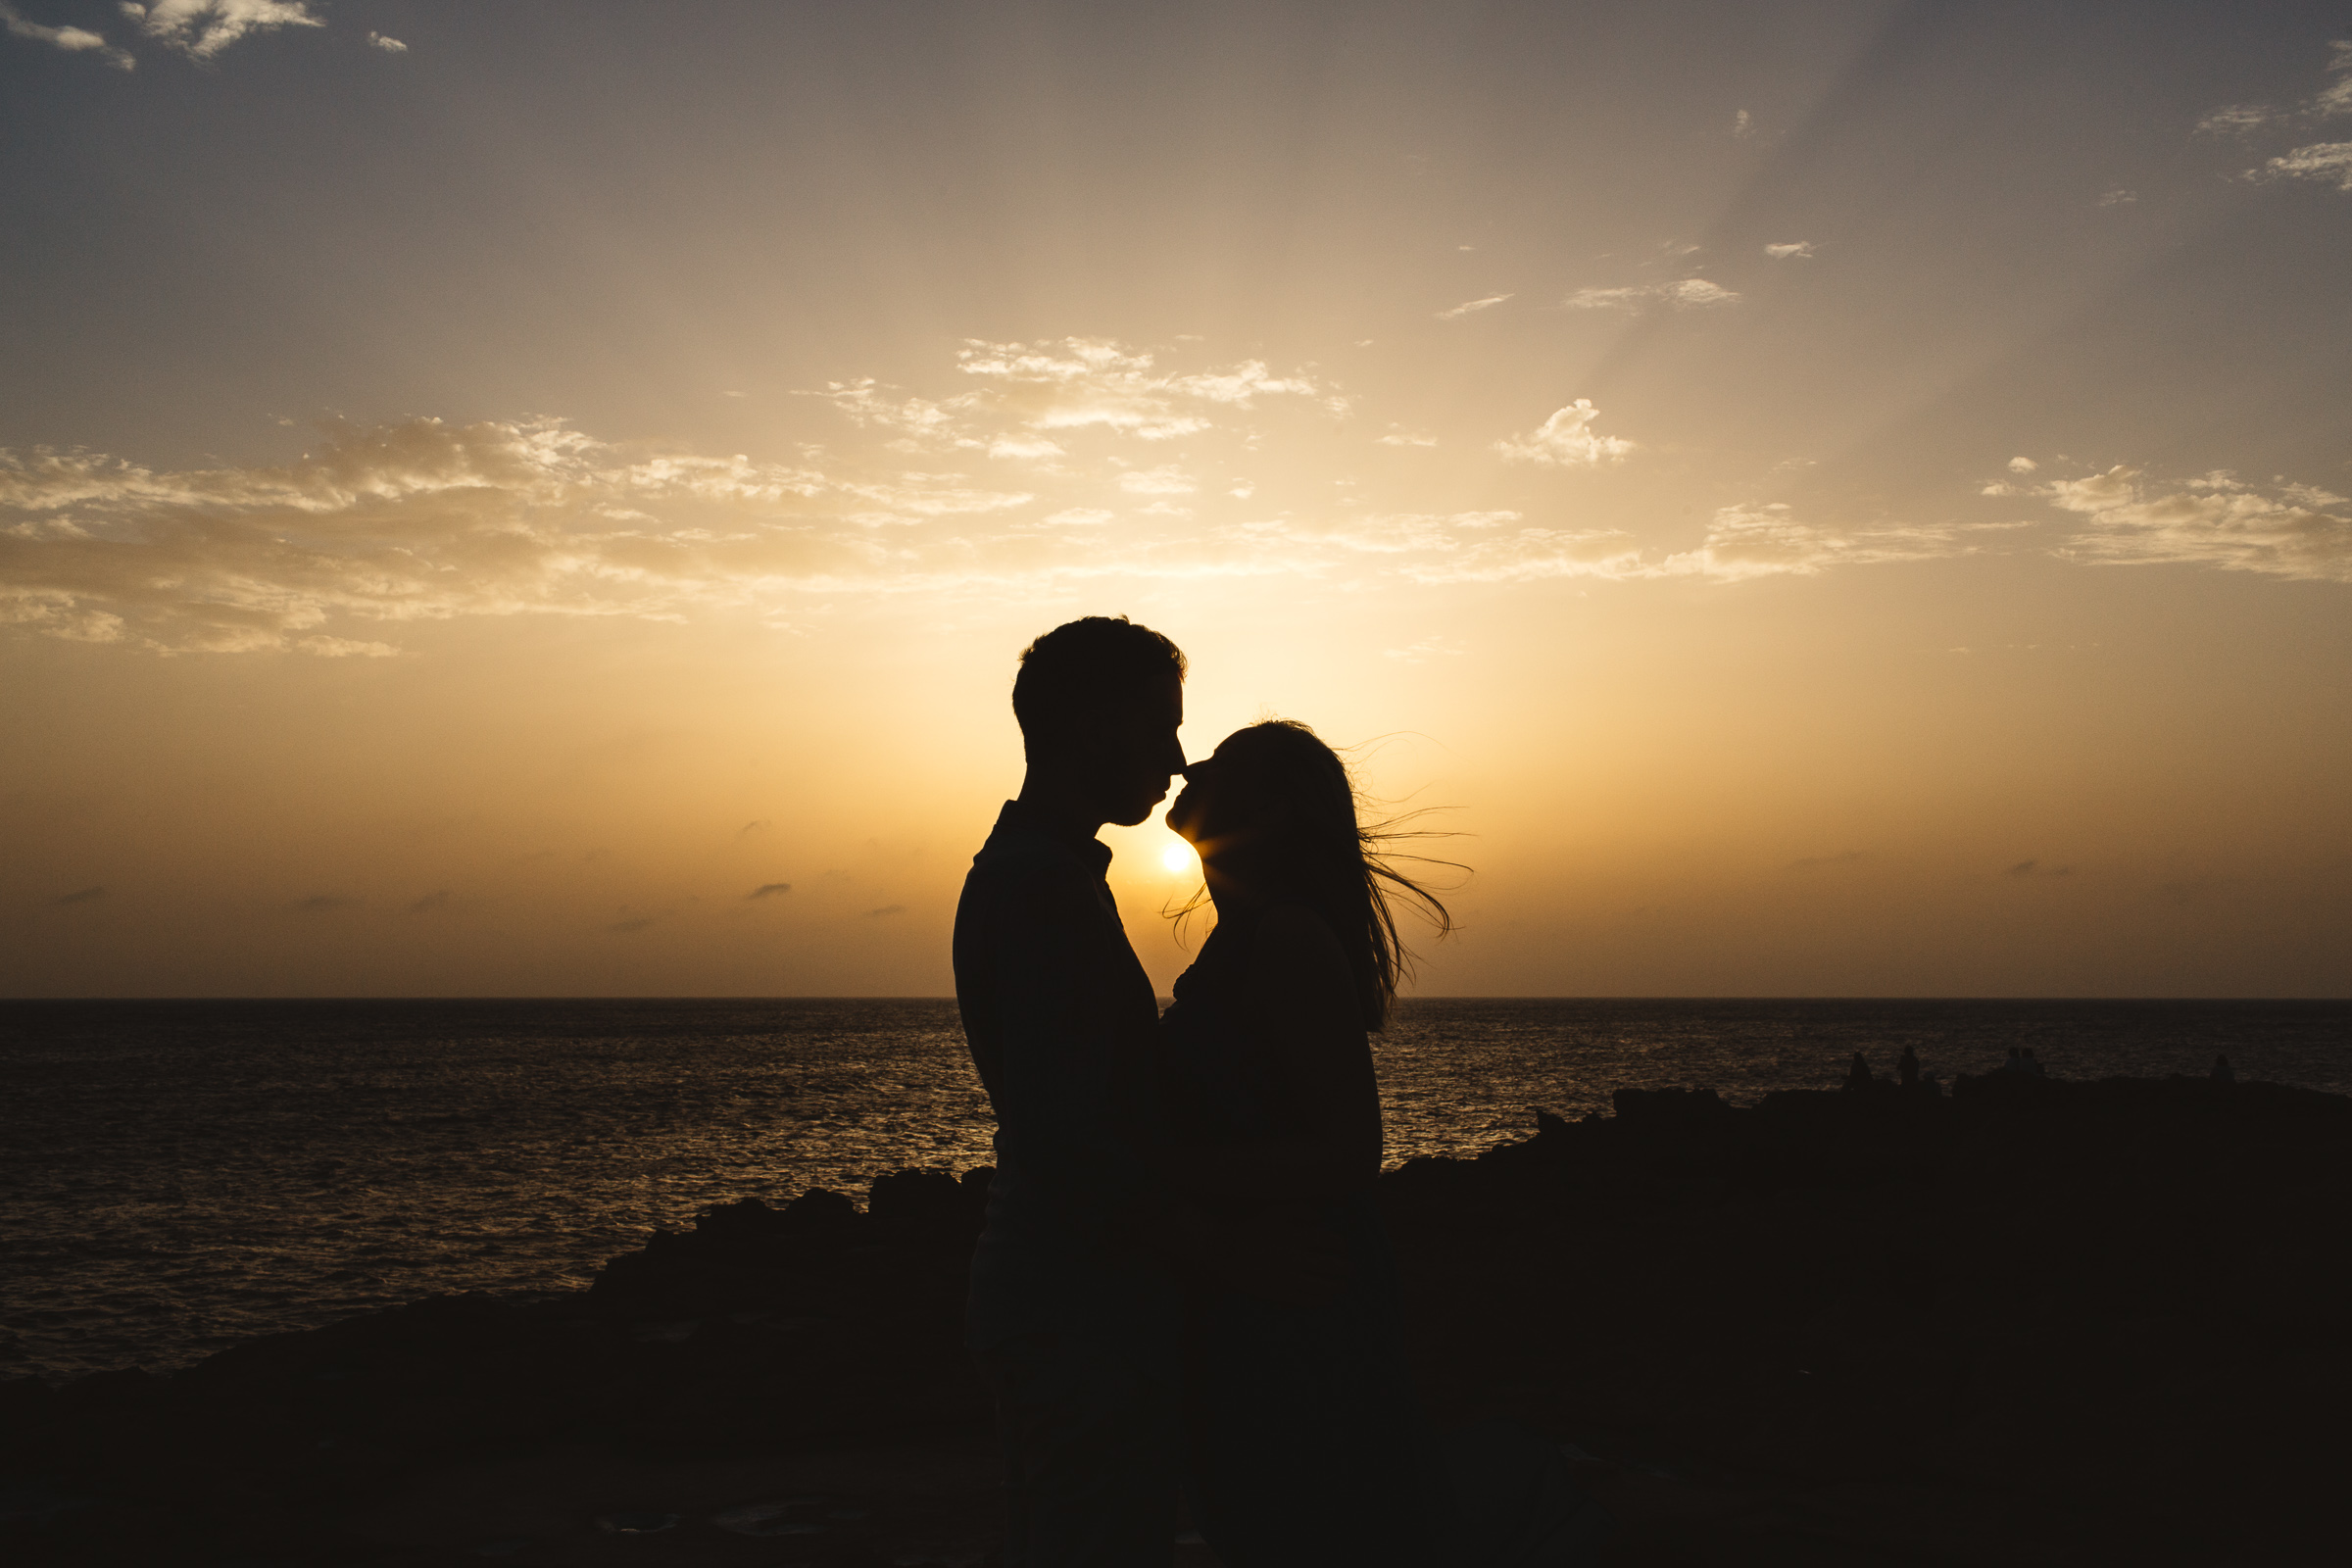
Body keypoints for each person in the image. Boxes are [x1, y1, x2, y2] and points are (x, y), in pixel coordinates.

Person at [1156, 719, 1611, 1567]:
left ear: (1273, 806)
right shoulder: (1245, 933)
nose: (1191, 765)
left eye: (1222, 762)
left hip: (1295, 1287)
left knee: (1309, 1519)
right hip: (1248, 1281)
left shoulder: (1285, 938)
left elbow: (1346, 1150)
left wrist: (1156, 1175)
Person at [952, 615, 1191, 1567]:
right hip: (1071, 1304)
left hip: (1065, 1291)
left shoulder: (1043, 874)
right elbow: (1075, 1139)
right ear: (1096, 726)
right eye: (1160, 726)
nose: (1176, 759)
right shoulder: (1039, 887)